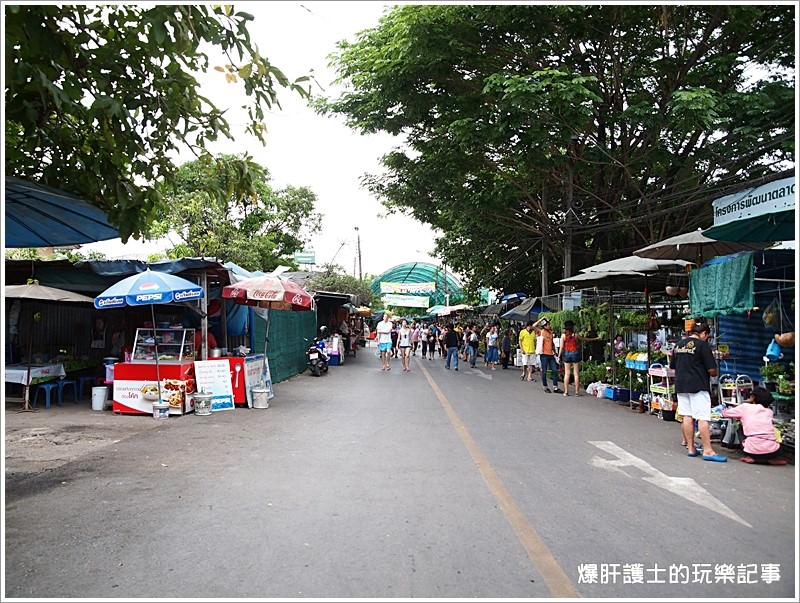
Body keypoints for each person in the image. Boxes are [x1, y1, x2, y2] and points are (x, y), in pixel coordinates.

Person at [670, 320, 726, 462]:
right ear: (704, 333)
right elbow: (712, 370)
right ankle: (707, 450)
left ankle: (691, 448)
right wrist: (713, 373)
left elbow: (673, 366)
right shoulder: (702, 345)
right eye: (707, 335)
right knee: (702, 417)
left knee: (687, 416)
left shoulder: (678, 345)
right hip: (698, 385)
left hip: (681, 385)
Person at [721, 387, 787, 465]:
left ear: (752, 398)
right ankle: (770, 459)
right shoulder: (769, 412)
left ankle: (751, 457)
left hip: (752, 449)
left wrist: (723, 408)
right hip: (773, 450)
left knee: (740, 429)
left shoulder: (745, 407)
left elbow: (725, 413)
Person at [557, 321, 601, 396]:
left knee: (567, 373)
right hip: (575, 353)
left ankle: (566, 392)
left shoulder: (563, 336)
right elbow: (585, 339)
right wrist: (595, 338)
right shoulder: (576, 335)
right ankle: (577, 392)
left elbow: (561, 347)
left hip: (566, 354)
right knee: (576, 374)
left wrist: (558, 357)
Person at [533, 316, 561, 393]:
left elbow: (552, 344)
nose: (550, 325)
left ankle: (555, 387)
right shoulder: (541, 332)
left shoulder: (551, 333)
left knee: (555, 370)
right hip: (544, 355)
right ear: (544, 326)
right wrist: (542, 319)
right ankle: (545, 387)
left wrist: (555, 352)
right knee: (544, 371)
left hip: (551, 355)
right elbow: (533, 326)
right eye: (548, 324)